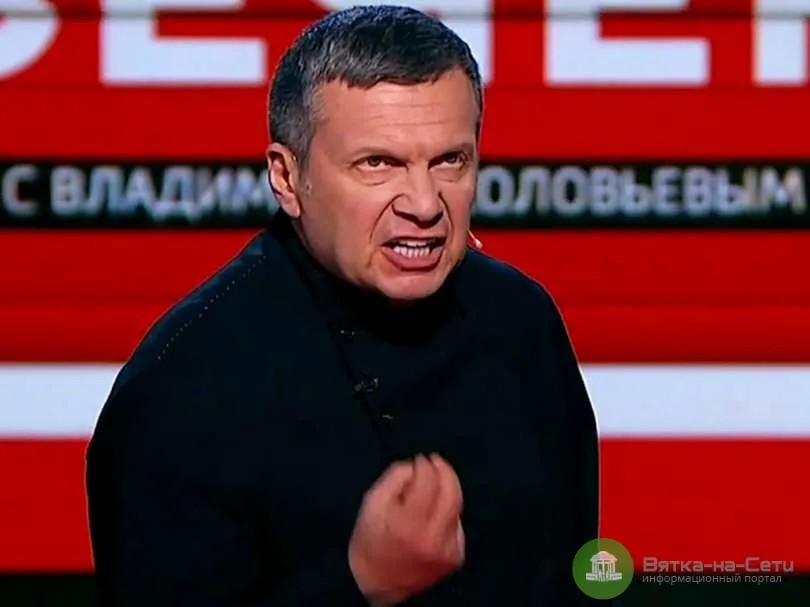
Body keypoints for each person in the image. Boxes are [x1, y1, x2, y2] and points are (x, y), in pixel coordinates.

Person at [85, 5, 600, 606]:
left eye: (449, 161)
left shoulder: (520, 321)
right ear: (287, 178)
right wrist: (361, 583)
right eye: (378, 164)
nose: (424, 204)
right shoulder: (182, 385)